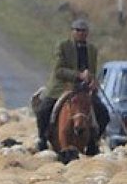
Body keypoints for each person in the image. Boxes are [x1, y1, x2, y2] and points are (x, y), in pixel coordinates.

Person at [36, 17, 110, 153]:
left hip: (84, 90)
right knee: (43, 110)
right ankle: (42, 138)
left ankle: (94, 141)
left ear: (87, 33)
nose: (81, 33)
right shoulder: (63, 46)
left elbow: (92, 70)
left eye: (84, 31)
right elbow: (59, 70)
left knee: (103, 113)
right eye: (78, 30)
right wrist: (78, 75)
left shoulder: (92, 49)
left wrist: (93, 81)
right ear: (72, 32)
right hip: (63, 87)